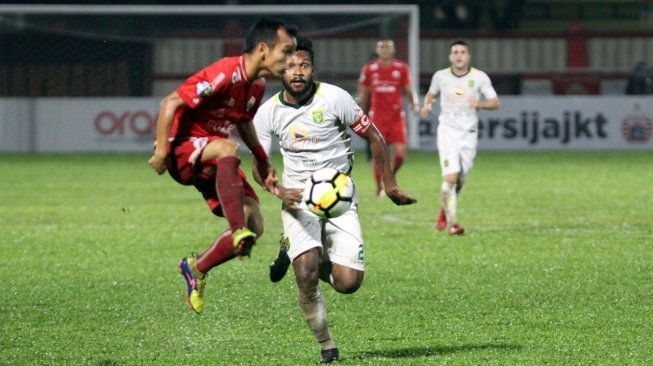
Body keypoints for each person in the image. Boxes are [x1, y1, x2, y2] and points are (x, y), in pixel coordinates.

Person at [252, 36, 416, 363]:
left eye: (304, 65)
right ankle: (327, 345)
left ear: (313, 68)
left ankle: (304, 254)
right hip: (298, 198)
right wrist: (273, 186)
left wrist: (391, 184)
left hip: (340, 195)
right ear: (279, 70)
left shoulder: (335, 98)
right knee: (306, 275)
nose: (297, 72)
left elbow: (373, 135)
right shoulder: (268, 113)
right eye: (290, 66)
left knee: (348, 283)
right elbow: (259, 164)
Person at [147, 19, 297, 314]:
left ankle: (196, 268)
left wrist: (263, 160)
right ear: (264, 49)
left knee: (255, 226)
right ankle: (235, 229)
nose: (291, 60)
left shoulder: (256, 86)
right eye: (287, 51)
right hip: (185, 147)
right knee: (228, 148)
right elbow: (170, 102)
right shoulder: (226, 72)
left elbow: (243, 121)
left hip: (215, 157)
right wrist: (162, 151)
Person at [420, 39, 500, 235]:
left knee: (461, 179)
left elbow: (495, 102)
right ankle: (453, 223)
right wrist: (427, 105)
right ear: (450, 56)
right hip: (447, 131)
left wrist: (479, 104)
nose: (459, 55)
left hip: (469, 133)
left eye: (462, 52)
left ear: (468, 56)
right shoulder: (441, 76)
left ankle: (444, 210)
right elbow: (431, 94)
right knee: (450, 176)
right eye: (455, 52)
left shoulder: (479, 77)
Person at [357, 38, 420, 198]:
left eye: (388, 47)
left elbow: (408, 89)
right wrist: (360, 112)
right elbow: (363, 92)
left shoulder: (402, 68)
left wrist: (414, 104)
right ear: (377, 51)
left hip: (396, 118)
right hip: (376, 118)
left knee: (400, 155)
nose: (385, 50)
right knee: (378, 155)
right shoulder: (369, 69)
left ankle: (390, 177)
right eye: (381, 47)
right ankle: (379, 188)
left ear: (393, 50)